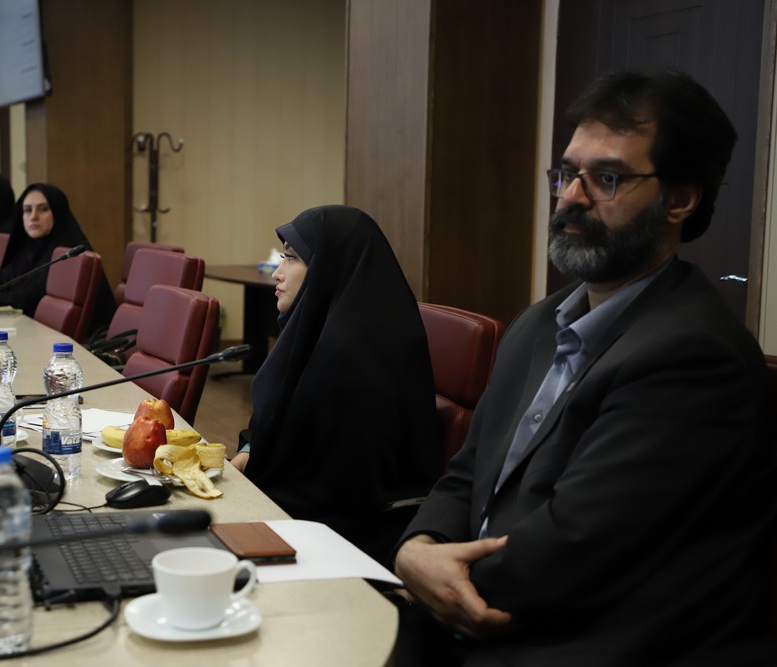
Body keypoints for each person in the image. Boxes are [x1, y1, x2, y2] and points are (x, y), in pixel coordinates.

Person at [391, 70, 776, 666]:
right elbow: (467, 474)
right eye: (568, 173)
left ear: (680, 199)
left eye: (607, 178)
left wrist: (432, 581)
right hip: (479, 612)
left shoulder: (694, 355)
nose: (572, 196)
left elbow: (570, 550)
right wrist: (418, 547)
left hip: (577, 641)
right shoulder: (536, 325)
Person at [231, 205, 441, 564]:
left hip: (336, 540)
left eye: (292, 258)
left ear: (328, 265)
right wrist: (249, 452)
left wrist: (246, 488)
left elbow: (337, 491)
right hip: (295, 511)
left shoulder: (354, 357)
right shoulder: (314, 329)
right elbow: (276, 423)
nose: (277, 273)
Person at [0, 183, 116, 337]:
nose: (33, 216)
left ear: (57, 212)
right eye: (27, 210)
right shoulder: (27, 248)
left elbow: (29, 297)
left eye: (43, 209)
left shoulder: (69, 253)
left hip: (80, 344)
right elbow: (6, 278)